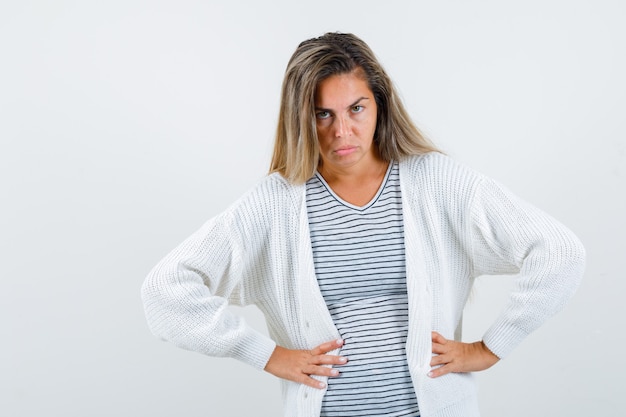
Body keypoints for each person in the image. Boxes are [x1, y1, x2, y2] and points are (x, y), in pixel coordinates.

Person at [141, 32, 585, 417]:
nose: (342, 132)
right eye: (322, 114)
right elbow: (164, 292)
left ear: (380, 103)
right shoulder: (274, 204)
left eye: (356, 108)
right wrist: (266, 355)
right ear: (300, 117)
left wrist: (489, 349)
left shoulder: (436, 182)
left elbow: (560, 252)